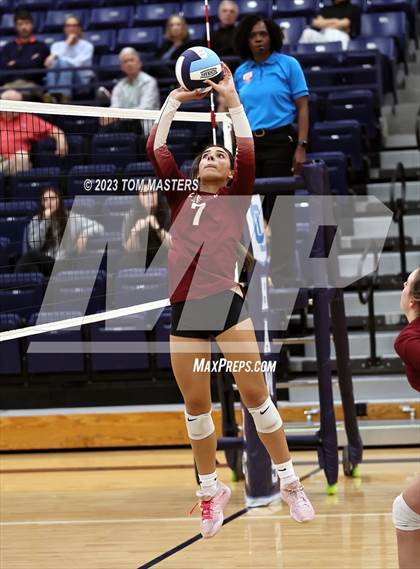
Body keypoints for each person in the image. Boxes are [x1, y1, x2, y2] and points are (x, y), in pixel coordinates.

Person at [146, 63, 315, 539]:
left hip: (224, 305)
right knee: (196, 409)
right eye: (207, 155)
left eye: (221, 155)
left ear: (231, 172)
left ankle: (290, 482)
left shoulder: (236, 195)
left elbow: (247, 148)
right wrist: (175, 101)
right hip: (186, 309)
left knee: (257, 398)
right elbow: (157, 148)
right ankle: (209, 491)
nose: (213, 157)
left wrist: (232, 99)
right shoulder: (180, 196)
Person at [233, 16, 309, 286]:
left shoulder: (288, 65)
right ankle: (253, 274)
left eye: (263, 34)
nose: (258, 39)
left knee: (280, 211)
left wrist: (301, 146)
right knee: (249, 210)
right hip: (249, 145)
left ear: (272, 36)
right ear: (245, 40)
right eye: (253, 35)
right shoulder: (241, 72)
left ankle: (283, 275)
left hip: (280, 141)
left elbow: (302, 107)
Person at [392, 268, 420, 569]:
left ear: (412, 299)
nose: (403, 285)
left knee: (407, 510)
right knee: (407, 509)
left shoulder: (408, 339)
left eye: (407, 282)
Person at [15, 187, 104, 276]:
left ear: (59, 201)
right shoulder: (36, 220)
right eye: (46, 200)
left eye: (53, 199)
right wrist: (45, 221)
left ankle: (15, 282)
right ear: (42, 203)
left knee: (30, 257)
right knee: (31, 266)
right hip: (47, 263)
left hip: (66, 263)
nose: (49, 203)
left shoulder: (71, 218)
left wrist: (84, 234)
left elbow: (99, 227)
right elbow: (35, 246)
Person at [0, 89, 67, 176]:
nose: (18, 106)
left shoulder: (28, 119)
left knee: (22, 156)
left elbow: (54, 130)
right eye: (14, 103)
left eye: (19, 102)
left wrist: (61, 140)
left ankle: (18, 184)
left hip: (12, 163)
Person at [99, 47, 160, 135]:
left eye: (131, 60)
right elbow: (115, 107)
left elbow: (144, 108)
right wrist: (108, 115)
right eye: (125, 61)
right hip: (124, 124)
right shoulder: (119, 85)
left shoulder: (149, 82)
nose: (129, 64)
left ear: (139, 63)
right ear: (121, 67)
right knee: (104, 129)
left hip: (144, 126)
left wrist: (118, 116)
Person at [45, 15, 94, 101]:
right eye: (68, 26)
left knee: (64, 64)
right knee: (54, 64)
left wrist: (58, 58)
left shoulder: (87, 46)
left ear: (79, 28)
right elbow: (48, 63)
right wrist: (67, 44)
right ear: (64, 29)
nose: (71, 28)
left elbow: (77, 64)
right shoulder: (56, 45)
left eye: (74, 25)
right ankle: (53, 97)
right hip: (57, 78)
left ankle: (63, 98)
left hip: (81, 80)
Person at [122, 185, 171, 268]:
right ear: (139, 197)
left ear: (158, 195)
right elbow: (129, 250)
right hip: (140, 257)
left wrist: (158, 229)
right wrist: (135, 232)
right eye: (144, 194)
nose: (149, 197)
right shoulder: (131, 215)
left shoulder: (168, 213)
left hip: (163, 255)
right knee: (127, 260)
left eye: (152, 193)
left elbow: (174, 245)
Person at [0, 9, 49, 91]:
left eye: (27, 23)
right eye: (20, 24)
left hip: (33, 86)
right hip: (9, 85)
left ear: (32, 25)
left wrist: (15, 63)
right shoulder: (7, 48)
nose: (24, 27)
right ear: (15, 27)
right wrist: (28, 63)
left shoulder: (41, 47)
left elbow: (36, 71)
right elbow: (4, 71)